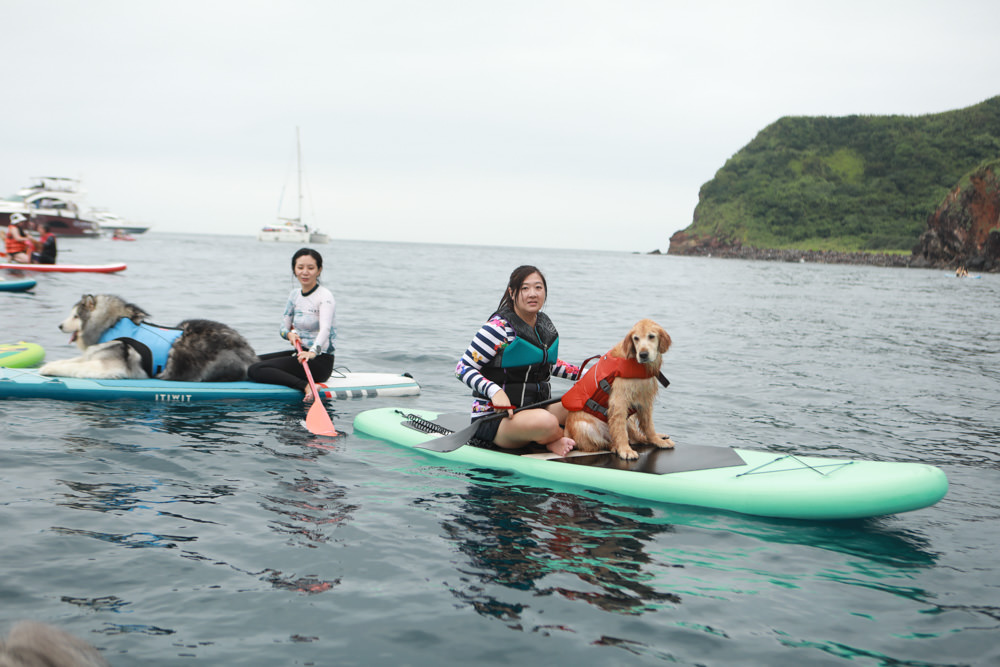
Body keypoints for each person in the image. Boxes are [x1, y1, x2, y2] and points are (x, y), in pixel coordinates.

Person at [455, 265, 580, 456]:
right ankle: (553, 440)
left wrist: (587, 375)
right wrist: (494, 391)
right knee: (546, 422)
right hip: (497, 419)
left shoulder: (543, 325)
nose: (533, 294)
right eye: (525, 288)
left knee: (582, 401)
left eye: (538, 288)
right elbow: (462, 367)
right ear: (512, 293)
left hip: (535, 408)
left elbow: (547, 364)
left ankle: (554, 435)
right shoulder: (497, 328)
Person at [248, 248, 336, 402]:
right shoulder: (294, 295)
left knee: (256, 369)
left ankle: (306, 386)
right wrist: (289, 334)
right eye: (300, 267)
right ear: (294, 270)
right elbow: (283, 327)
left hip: (319, 361)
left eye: (310, 268)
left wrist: (313, 352)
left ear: (319, 270)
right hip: (300, 354)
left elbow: (326, 330)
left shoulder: (325, 296)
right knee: (250, 362)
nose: (305, 272)